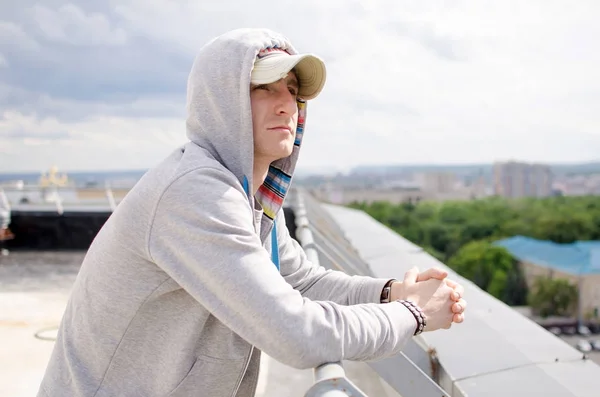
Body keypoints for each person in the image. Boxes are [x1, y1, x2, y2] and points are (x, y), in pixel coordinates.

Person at [38, 28, 467, 397]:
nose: (286, 106)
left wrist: (391, 293)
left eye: (293, 92)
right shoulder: (194, 192)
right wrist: (414, 314)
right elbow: (295, 334)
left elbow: (302, 280)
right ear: (220, 100)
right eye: (265, 88)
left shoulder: (251, 196)